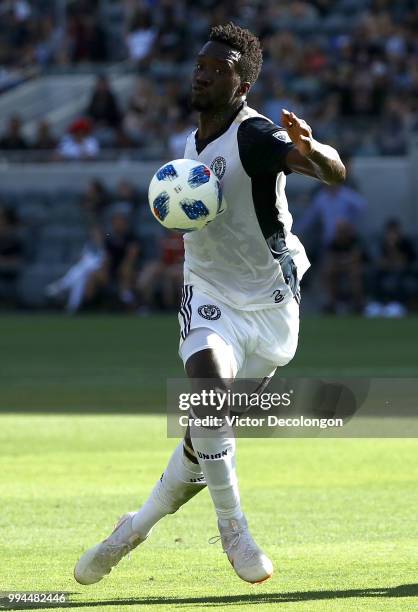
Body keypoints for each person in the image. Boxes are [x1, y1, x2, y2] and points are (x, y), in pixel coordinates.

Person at [74, 23, 345, 586]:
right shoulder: (191, 144)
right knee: (210, 400)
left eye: (216, 68)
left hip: (270, 306)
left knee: (203, 441)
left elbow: (333, 172)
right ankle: (235, 531)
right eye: (199, 64)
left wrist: (310, 147)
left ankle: (136, 526)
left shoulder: (255, 137)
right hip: (209, 293)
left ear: (241, 84)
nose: (200, 72)